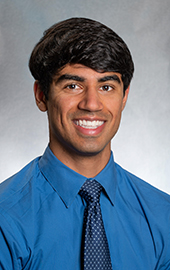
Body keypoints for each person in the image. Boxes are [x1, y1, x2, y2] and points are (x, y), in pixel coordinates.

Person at [0, 17, 169, 270]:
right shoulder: (5, 219)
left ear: (124, 97)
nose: (91, 104)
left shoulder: (163, 216)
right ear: (41, 95)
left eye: (107, 87)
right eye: (73, 85)